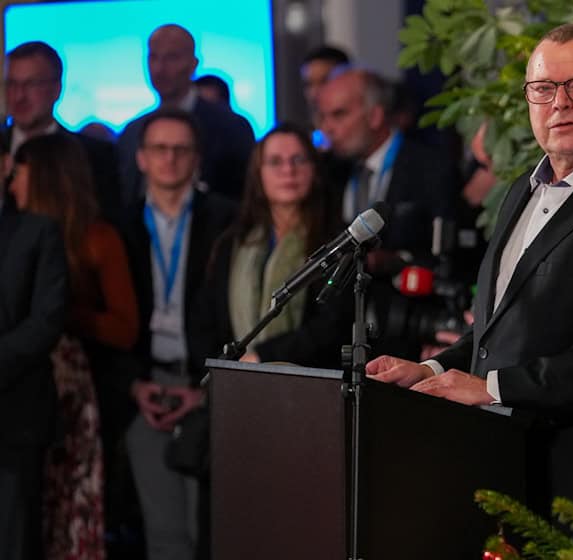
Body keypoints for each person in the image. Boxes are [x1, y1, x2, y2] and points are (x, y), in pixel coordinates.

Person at [366, 23, 573, 520]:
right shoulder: (522, 191)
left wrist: (493, 388)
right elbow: (503, 329)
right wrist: (435, 369)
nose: (559, 103)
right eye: (544, 89)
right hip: (502, 472)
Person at [9, 133, 140, 559]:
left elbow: (125, 327)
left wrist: (56, 310)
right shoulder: (15, 236)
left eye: (20, 173)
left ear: (45, 177)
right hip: (23, 377)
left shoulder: (98, 238)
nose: (11, 182)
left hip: (71, 383)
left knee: (65, 502)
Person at [118, 109, 235, 560]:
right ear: (142, 158)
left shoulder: (228, 219)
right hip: (145, 385)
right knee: (163, 534)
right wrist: (133, 384)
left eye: (180, 149)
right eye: (159, 149)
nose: (170, 159)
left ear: (197, 158)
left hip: (210, 384)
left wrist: (205, 388)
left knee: (215, 530)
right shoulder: (116, 224)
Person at [316, 67, 459, 359]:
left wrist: (397, 261)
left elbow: (453, 257)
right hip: (344, 337)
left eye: (339, 114)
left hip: (412, 338)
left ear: (375, 115)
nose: (327, 128)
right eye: (323, 117)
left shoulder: (431, 168)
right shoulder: (331, 172)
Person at [188, 123, 351, 369]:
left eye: (298, 159)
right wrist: (225, 366)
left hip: (309, 384)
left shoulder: (339, 242)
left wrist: (263, 358)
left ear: (315, 171)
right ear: (258, 173)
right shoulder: (231, 241)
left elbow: (332, 325)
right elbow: (205, 319)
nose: (288, 170)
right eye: (275, 161)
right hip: (234, 384)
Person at [0, 137, 68, 560]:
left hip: (12, 418)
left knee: (13, 541)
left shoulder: (38, 232)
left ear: (5, 164)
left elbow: (47, 321)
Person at [117, 24, 255, 205]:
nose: (159, 68)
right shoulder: (132, 132)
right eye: (153, 57)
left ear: (193, 65)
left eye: (171, 58)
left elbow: (246, 199)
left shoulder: (231, 128)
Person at [3, 41, 122, 226]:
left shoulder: (95, 156)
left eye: (31, 84)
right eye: (12, 84)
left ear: (57, 89)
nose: (19, 96)